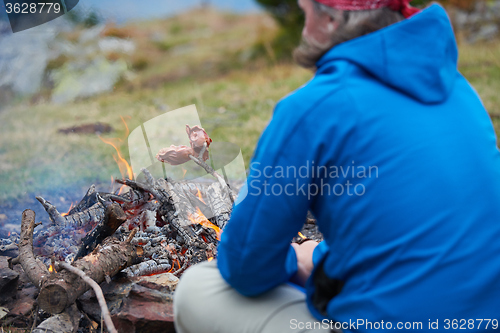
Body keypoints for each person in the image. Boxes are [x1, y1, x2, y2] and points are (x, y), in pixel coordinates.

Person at [174, 0, 500, 332]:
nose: (303, 28)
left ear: (331, 19)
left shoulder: (313, 109)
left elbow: (246, 267)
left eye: (306, 14)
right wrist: (317, 259)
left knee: (199, 288)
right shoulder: (460, 90)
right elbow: (414, 225)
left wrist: (294, 261)